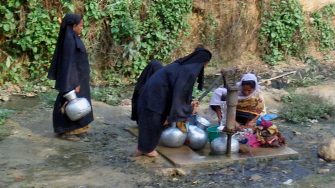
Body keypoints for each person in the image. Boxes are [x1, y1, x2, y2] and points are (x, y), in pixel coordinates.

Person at [136, 47, 212, 157]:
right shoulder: (188, 71)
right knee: (153, 122)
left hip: (151, 93)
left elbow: (179, 90)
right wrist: (189, 109)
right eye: (206, 64)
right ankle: (147, 150)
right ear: (203, 62)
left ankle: (142, 148)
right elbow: (179, 95)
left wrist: (187, 103)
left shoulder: (181, 65)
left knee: (149, 122)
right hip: (155, 97)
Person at [47, 13, 94, 141]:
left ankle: (77, 129)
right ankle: (65, 131)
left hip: (79, 78)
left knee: (78, 103)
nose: (81, 28)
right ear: (73, 26)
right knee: (69, 102)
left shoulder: (73, 38)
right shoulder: (69, 42)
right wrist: (74, 83)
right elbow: (69, 65)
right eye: (80, 26)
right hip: (73, 80)